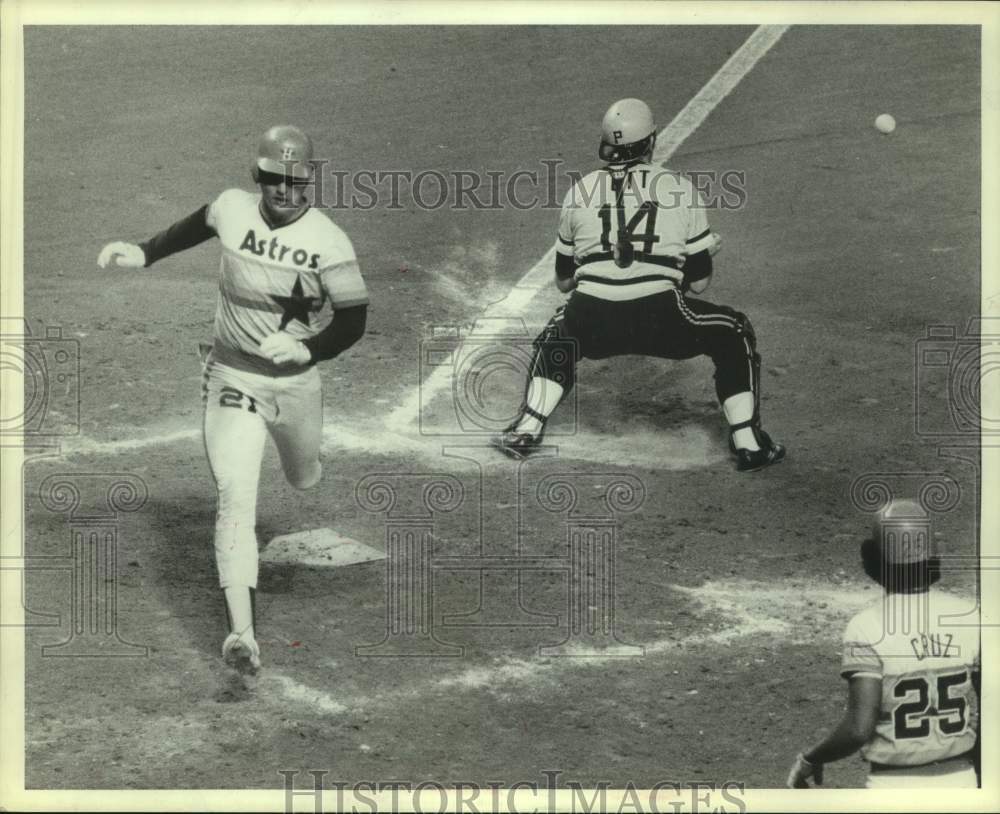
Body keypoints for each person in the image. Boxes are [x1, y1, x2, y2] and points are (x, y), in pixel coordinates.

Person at [97, 125, 369, 674]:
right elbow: (196, 226)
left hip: (294, 386)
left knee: (303, 475)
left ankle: (306, 460)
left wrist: (309, 351)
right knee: (235, 497)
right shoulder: (232, 208)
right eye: (275, 181)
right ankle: (241, 634)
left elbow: (355, 320)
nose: (286, 193)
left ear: (310, 181)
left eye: (297, 183)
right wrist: (144, 253)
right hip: (232, 377)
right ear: (259, 178)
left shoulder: (331, 243)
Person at [491, 98, 784, 472]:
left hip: (591, 317)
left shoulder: (578, 191)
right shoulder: (681, 188)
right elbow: (699, 284)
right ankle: (748, 442)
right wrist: (705, 251)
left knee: (558, 333)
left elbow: (564, 282)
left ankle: (525, 429)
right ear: (651, 142)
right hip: (661, 319)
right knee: (734, 330)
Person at [787, 499, 980, 789]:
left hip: (891, 789)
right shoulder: (970, 617)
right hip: (962, 782)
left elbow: (858, 729)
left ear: (874, 561)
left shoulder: (866, 627)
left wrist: (810, 759)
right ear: (933, 557)